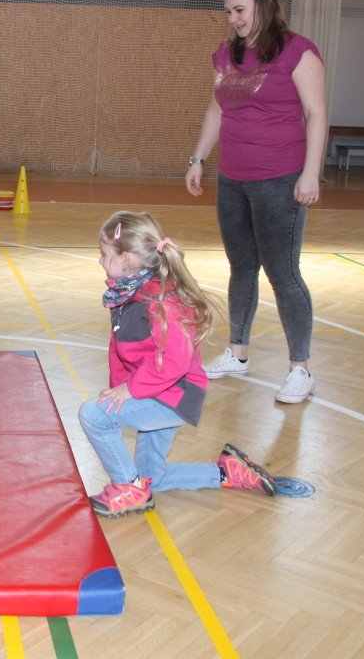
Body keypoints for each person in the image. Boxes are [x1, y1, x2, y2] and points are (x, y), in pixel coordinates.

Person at [185, 0, 327, 404]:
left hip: (280, 179)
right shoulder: (226, 54)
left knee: (284, 273)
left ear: (263, 5)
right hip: (233, 179)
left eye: (240, 10)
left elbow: (316, 113)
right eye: (229, 11)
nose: (234, 19)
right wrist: (198, 158)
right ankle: (237, 352)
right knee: (242, 266)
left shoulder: (298, 51)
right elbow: (217, 109)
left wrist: (310, 173)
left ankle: (300, 369)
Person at [79, 211, 276, 518]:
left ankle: (129, 490)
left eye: (104, 254)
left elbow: (175, 362)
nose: (100, 261)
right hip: (153, 390)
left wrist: (129, 391)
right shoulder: (129, 292)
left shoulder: (161, 304)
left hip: (172, 396)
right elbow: (127, 352)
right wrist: (121, 390)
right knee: (152, 478)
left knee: (93, 415)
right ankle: (228, 472)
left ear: (126, 260)